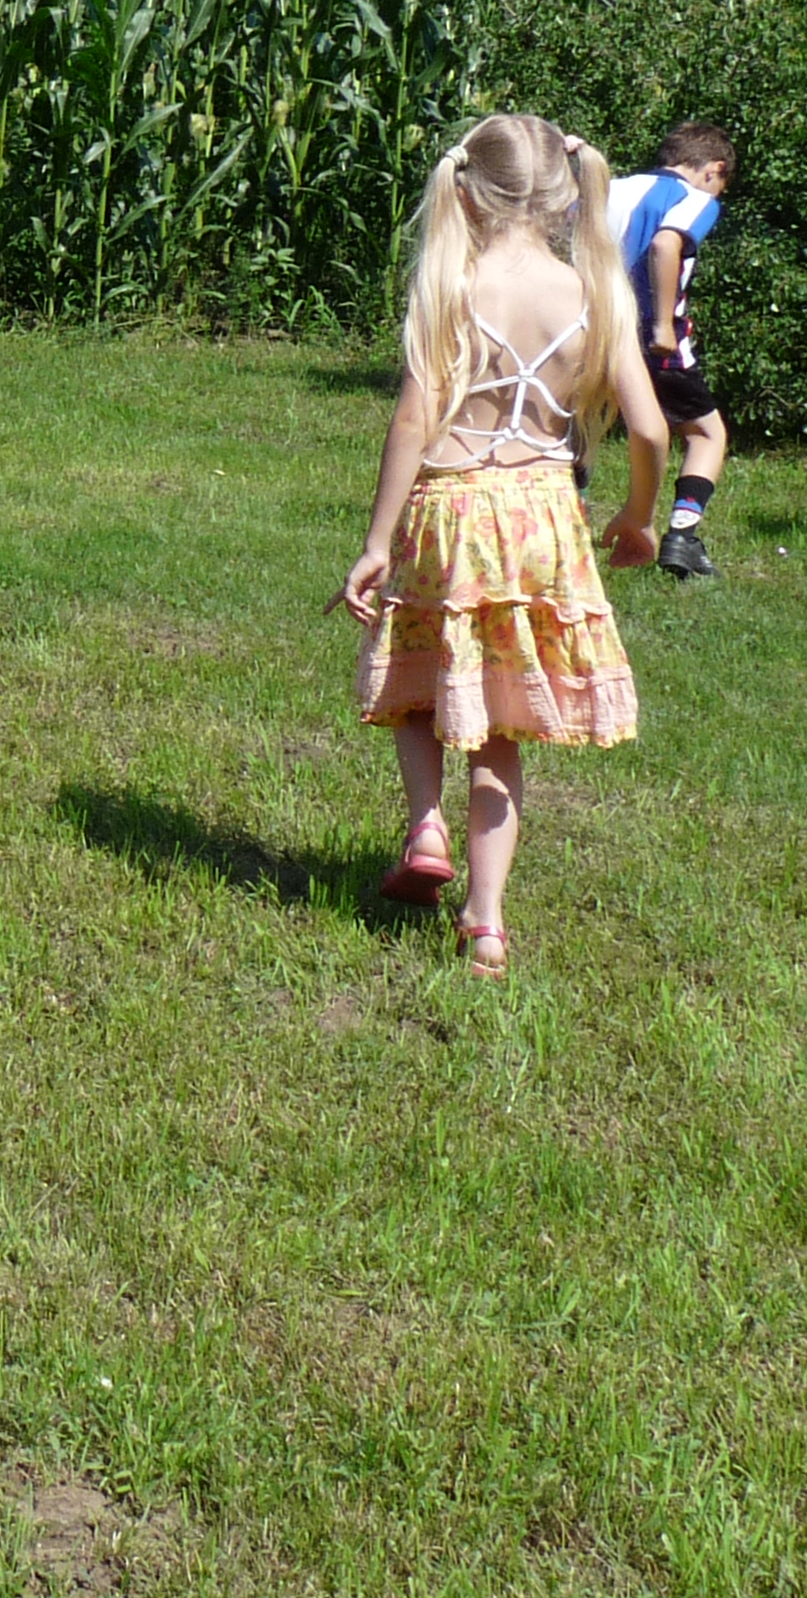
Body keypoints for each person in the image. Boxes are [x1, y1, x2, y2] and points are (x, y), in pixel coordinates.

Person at [344, 116, 667, 980]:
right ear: (563, 197)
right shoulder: (594, 292)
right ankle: (485, 923)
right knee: (503, 724)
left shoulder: (454, 282)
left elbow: (414, 419)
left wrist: (375, 541)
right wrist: (640, 519)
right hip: (542, 517)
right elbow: (649, 429)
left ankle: (427, 827)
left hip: (449, 507)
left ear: (470, 192)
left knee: (419, 685)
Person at [604, 122, 733, 578]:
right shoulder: (696, 199)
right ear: (713, 170)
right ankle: (682, 536)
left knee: (579, 425)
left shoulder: (611, 188)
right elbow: (665, 243)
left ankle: (567, 517)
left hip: (593, 324)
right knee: (706, 433)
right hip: (651, 332)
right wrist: (661, 324)